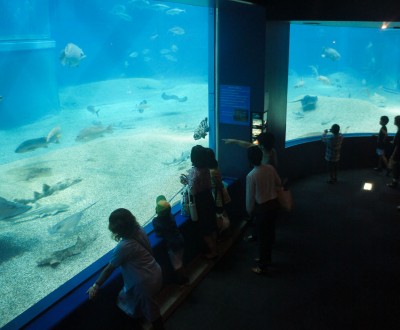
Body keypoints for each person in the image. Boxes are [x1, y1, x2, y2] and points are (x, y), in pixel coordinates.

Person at [87, 208, 164, 330]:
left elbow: (109, 268)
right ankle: (142, 319)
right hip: (155, 271)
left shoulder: (124, 246)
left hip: (143, 284)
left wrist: (96, 285)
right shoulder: (139, 230)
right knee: (140, 304)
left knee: (152, 313)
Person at [246, 145, 281, 274]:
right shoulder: (270, 168)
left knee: (262, 238)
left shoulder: (251, 175)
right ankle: (266, 258)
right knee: (270, 234)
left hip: (262, 210)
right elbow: (278, 182)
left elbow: (250, 198)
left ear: (249, 160)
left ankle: (262, 266)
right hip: (274, 205)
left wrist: (249, 211)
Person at [180, 145, 218, 259]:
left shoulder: (195, 173)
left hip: (201, 202)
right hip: (208, 198)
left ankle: (214, 252)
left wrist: (186, 181)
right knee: (212, 225)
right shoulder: (206, 168)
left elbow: (193, 190)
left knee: (205, 230)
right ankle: (216, 246)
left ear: (193, 158)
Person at [152, 195, 188, 285]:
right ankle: (184, 276)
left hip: (173, 245)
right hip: (180, 239)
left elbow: (158, 234)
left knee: (177, 265)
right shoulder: (171, 216)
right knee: (180, 259)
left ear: (157, 211)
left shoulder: (156, 221)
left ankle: (183, 281)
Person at [205, 148, 231, 234]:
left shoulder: (211, 172)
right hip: (219, 195)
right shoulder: (214, 168)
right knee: (222, 213)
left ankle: (223, 232)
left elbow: (219, 185)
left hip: (218, 197)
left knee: (220, 215)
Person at [387, 116, 400, 188]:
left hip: (397, 154)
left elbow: (398, 146)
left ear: (398, 122)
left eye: (395, 120)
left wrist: (393, 155)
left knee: (395, 168)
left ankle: (394, 183)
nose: (394, 121)